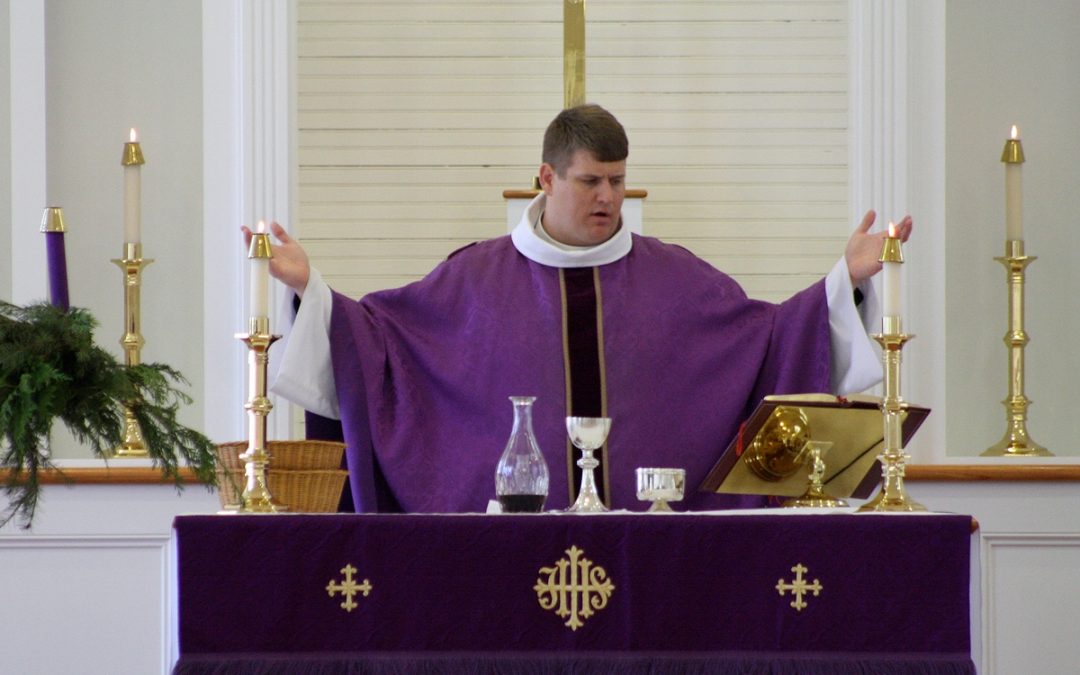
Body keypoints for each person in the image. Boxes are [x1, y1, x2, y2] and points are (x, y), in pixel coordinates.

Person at [252, 104, 912, 513]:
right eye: (590, 180)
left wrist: (843, 282)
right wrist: (313, 293)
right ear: (546, 177)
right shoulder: (473, 277)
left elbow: (769, 340)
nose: (607, 198)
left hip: (654, 562)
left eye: (618, 181)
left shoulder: (677, 277)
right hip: (505, 560)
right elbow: (384, 344)